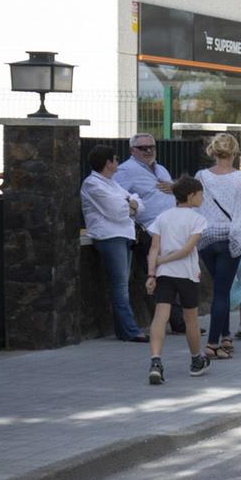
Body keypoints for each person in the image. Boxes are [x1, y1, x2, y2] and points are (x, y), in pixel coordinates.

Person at [194, 132, 241, 360]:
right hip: (231, 239)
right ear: (235, 152)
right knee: (222, 292)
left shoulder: (201, 176)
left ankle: (226, 336)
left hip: (206, 239)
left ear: (213, 151)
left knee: (220, 288)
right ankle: (212, 344)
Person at [144, 176, 210, 384]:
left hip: (164, 275)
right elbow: (187, 250)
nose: (202, 198)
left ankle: (156, 361)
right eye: (200, 194)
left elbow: (153, 248)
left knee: (160, 317)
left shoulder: (162, 217)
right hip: (188, 275)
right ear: (191, 196)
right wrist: (165, 259)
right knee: (190, 319)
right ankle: (196, 360)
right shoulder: (197, 219)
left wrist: (152, 273)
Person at [81, 143, 146, 342]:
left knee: (122, 284)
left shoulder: (111, 182)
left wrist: (131, 204)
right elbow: (117, 212)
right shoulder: (93, 184)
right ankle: (130, 331)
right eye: (116, 159)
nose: (118, 162)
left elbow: (137, 201)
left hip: (124, 235)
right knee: (120, 286)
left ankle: (124, 330)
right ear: (108, 163)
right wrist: (131, 205)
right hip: (110, 236)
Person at [116, 133, 180, 332]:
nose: (148, 151)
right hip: (149, 233)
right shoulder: (126, 170)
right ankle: (175, 322)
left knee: (174, 276)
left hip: (171, 231)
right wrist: (133, 210)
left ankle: (178, 321)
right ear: (132, 151)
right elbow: (118, 197)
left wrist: (174, 186)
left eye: (151, 146)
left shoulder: (160, 168)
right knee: (159, 278)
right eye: (143, 148)